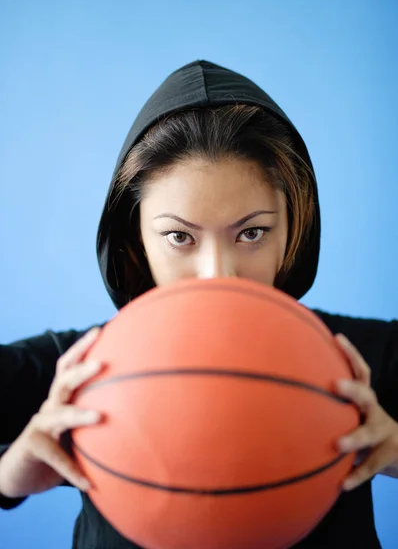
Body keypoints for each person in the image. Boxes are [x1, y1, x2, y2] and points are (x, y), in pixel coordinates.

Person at [0, 60, 397, 549]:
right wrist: (7, 474)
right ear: (135, 241)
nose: (218, 275)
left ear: (294, 228)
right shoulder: (78, 375)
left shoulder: (362, 365)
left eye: (251, 233)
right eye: (179, 237)